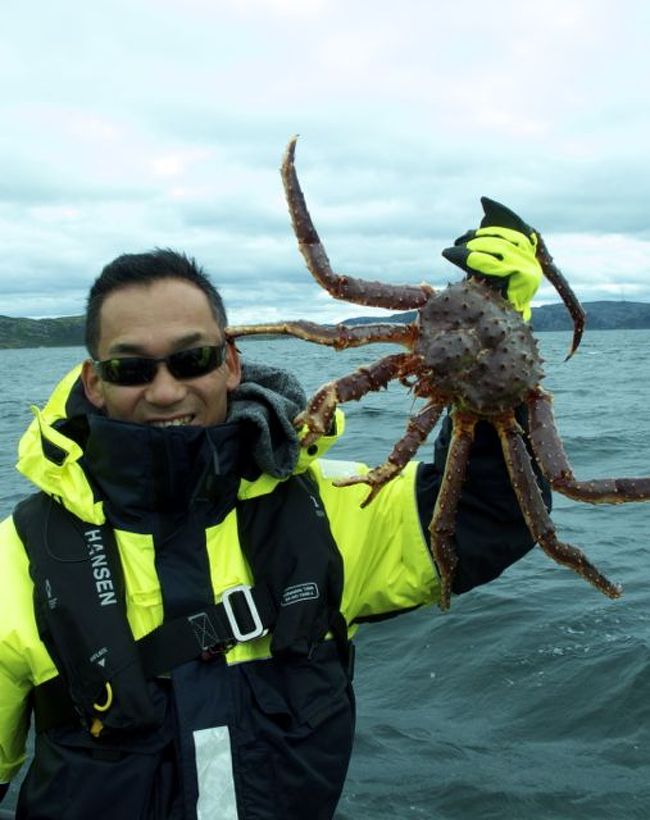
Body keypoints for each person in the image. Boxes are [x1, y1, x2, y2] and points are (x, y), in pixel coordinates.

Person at [0, 200, 547, 819]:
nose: (165, 390)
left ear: (231, 362)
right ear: (93, 381)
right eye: (130, 367)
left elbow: (486, 518)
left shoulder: (333, 504)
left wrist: (502, 337)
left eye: (193, 358)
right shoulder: (18, 560)